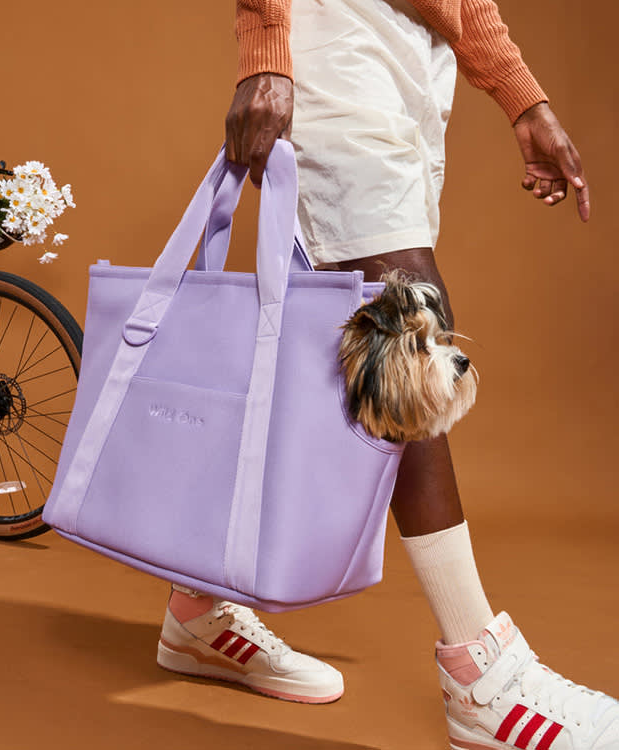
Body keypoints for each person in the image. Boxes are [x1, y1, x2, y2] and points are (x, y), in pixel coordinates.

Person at [156, 1, 619, 748]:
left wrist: (520, 93)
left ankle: (196, 607)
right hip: (333, 32)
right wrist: (266, 51)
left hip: (420, 57)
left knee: (330, 357)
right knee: (407, 339)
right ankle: (482, 683)